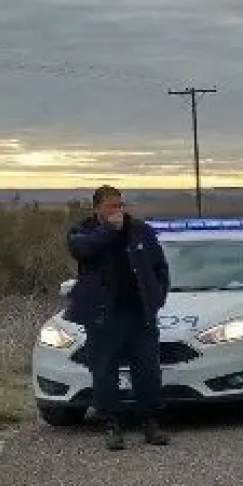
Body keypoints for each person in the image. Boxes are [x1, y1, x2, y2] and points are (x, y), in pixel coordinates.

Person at [63, 185, 171, 450]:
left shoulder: (140, 230)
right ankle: (112, 423)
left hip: (139, 313)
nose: (117, 211)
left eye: (120, 205)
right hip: (104, 316)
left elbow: (160, 267)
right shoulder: (83, 231)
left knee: (147, 369)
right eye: (111, 206)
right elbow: (83, 250)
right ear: (97, 208)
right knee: (104, 371)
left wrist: (156, 298)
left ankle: (150, 421)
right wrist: (110, 230)